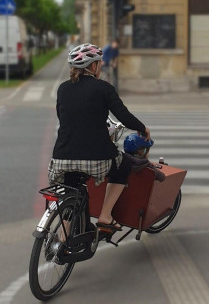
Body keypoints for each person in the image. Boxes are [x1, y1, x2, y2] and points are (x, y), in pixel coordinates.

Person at [48, 43, 151, 234]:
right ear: (93, 66)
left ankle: (62, 237)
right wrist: (142, 128)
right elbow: (123, 115)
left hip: (61, 157)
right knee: (123, 165)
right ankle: (105, 216)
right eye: (99, 63)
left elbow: (63, 117)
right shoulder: (103, 88)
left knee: (72, 189)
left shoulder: (63, 89)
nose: (100, 66)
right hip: (96, 157)